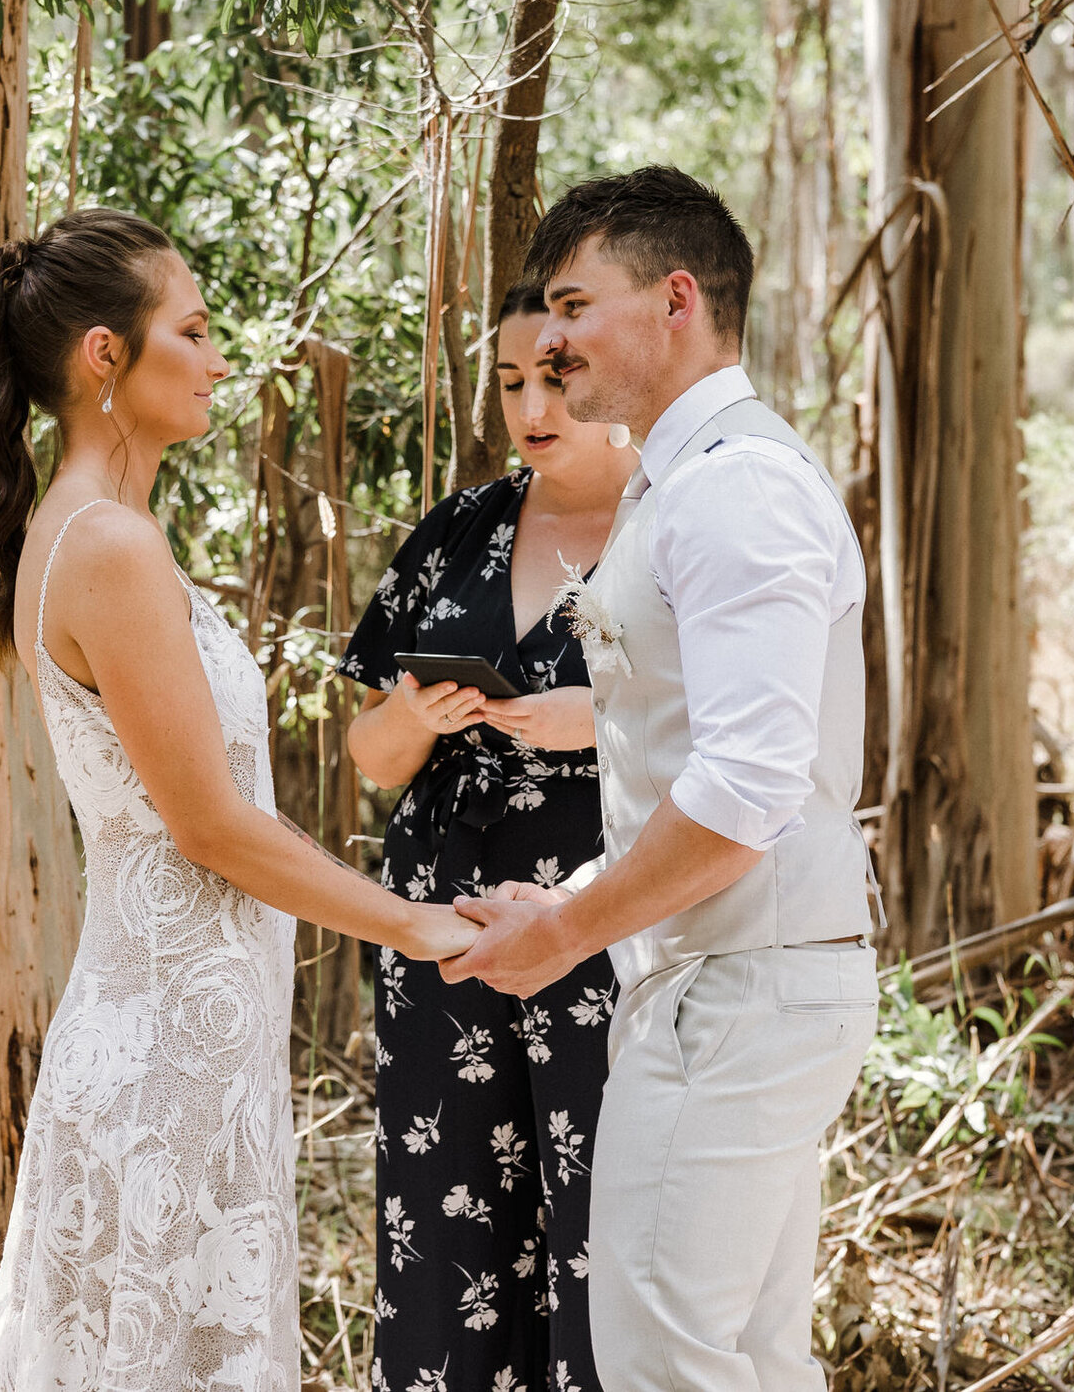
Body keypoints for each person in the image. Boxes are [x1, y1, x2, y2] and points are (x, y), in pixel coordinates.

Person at [0, 209, 480, 1392]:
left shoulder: (104, 531)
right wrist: (418, 923)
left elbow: (212, 804)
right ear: (105, 354)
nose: (218, 356)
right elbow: (208, 823)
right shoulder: (107, 545)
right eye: (191, 331)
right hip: (165, 1062)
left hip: (187, 1037)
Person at [443, 168, 882, 1392]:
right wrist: (565, 900)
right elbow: (691, 763)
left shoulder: (735, 484)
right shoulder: (686, 479)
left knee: (658, 1364)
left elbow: (747, 789)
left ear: (676, 297)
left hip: (739, 990)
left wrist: (569, 929)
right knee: (741, 1356)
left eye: (575, 303)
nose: (553, 336)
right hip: (729, 984)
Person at [338, 280, 635, 1392]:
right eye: (510, 379)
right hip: (438, 919)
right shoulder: (457, 529)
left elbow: (737, 731)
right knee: (444, 1210)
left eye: (555, 375)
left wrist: (591, 721)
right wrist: (410, 717)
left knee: (598, 1218)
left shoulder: (672, 526)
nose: (530, 403)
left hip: (599, 914)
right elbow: (369, 756)